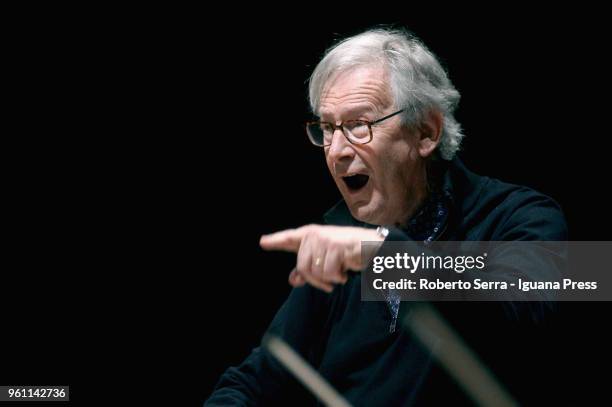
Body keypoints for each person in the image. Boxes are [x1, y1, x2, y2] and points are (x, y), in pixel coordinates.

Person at [206, 27, 567, 406]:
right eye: (327, 128)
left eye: (358, 125)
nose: (337, 151)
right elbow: (257, 380)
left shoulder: (524, 216)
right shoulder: (343, 234)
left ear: (426, 132)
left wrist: (383, 254)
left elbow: (528, 308)